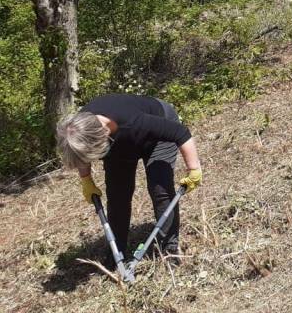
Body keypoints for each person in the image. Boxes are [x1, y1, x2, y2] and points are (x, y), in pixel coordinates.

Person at [56, 93, 202, 260]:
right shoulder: (79, 128)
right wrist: (86, 180)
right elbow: (82, 155)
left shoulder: (133, 121)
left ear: (102, 136)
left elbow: (181, 133)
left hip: (159, 135)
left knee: (159, 188)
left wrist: (194, 169)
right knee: (118, 197)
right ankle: (116, 252)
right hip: (121, 143)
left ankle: (169, 249)